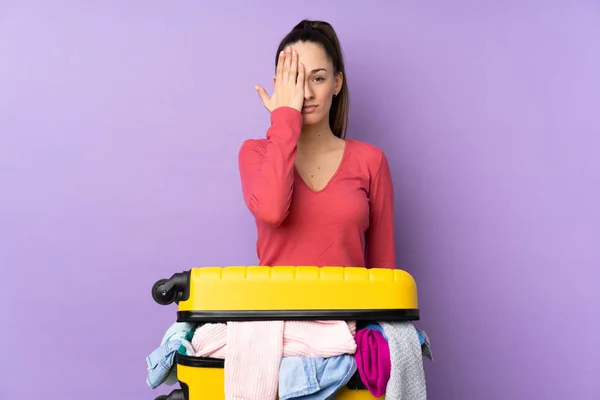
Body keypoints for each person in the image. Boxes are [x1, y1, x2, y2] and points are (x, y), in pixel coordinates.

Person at [238, 19, 396, 269]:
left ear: (337, 83)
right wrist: (284, 116)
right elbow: (272, 211)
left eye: (318, 79)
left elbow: (384, 270)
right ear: (280, 86)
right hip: (275, 307)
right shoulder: (255, 153)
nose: (307, 94)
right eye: (296, 80)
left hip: (350, 308)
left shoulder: (371, 162)